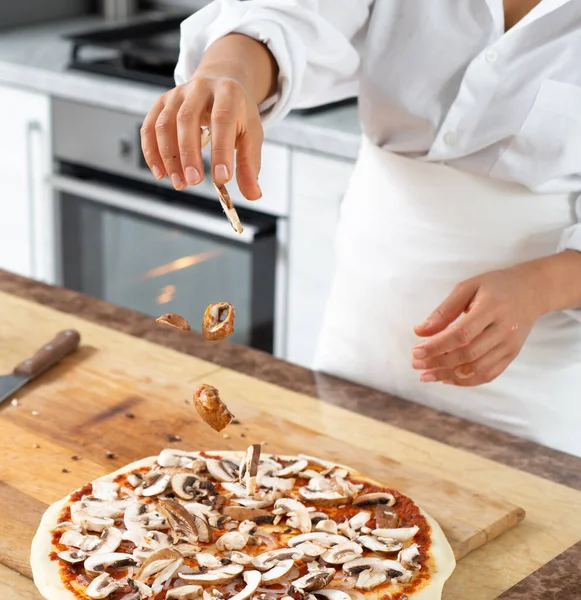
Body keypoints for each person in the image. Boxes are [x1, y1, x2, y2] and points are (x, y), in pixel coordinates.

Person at [141, 0, 581, 457]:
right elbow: (291, 13)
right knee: (332, 490)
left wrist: (539, 289)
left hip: (534, 357)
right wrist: (229, 72)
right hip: (365, 312)